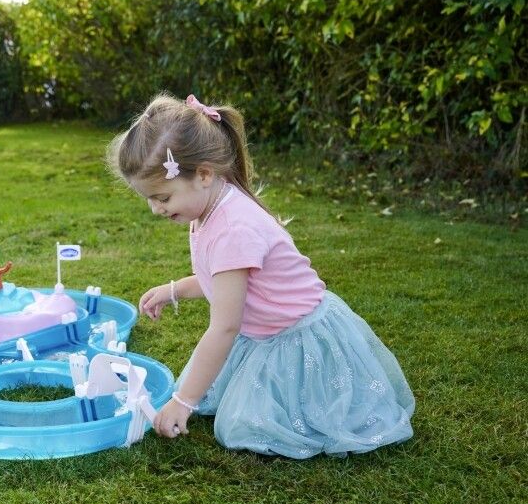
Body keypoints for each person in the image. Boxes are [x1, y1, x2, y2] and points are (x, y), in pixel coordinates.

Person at [107, 92, 415, 458]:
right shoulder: (208, 208)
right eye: (150, 198)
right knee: (221, 397)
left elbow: (224, 326)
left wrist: (182, 402)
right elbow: (222, 284)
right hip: (263, 332)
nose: (155, 209)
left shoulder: (233, 228)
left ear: (204, 174)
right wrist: (173, 290)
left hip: (295, 338)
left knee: (241, 427)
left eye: (162, 197)